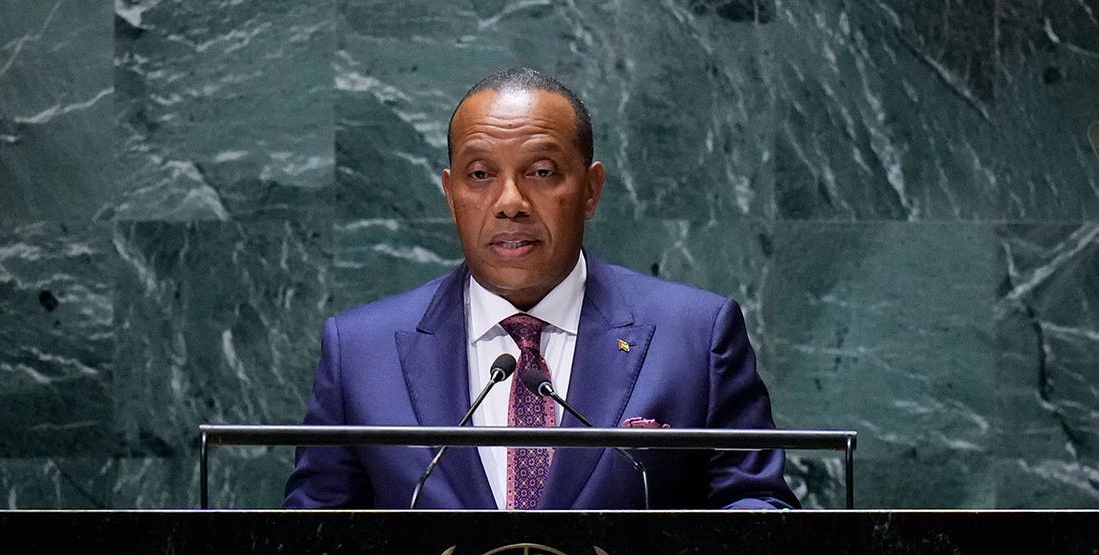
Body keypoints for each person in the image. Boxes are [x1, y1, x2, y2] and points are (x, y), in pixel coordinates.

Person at [283, 67, 799, 510]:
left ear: (591, 190)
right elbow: (315, 538)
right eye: (481, 174)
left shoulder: (695, 335)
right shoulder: (359, 351)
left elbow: (755, 507)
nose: (510, 202)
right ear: (450, 194)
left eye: (542, 172)